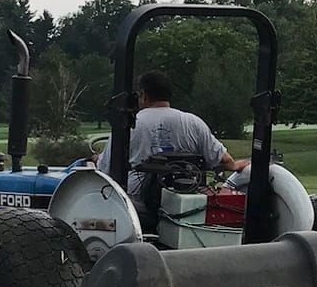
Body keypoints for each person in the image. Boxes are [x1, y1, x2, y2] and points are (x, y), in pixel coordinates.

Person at [96, 70, 239, 209]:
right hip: (186, 206)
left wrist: (95, 159)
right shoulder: (194, 123)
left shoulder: (129, 126)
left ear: (144, 95)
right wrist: (238, 166)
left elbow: (105, 169)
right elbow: (226, 162)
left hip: (138, 206)